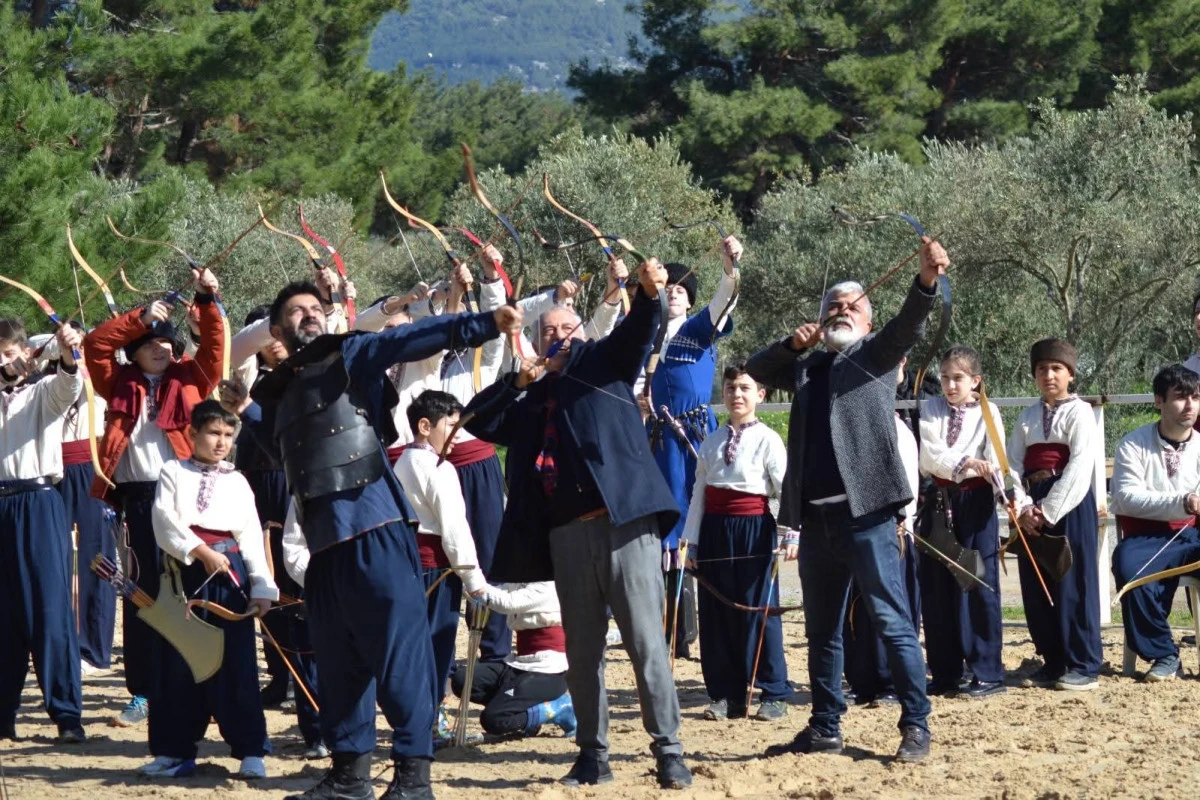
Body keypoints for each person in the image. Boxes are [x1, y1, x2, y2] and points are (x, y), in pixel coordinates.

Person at [259, 279, 519, 800]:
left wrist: (485, 324)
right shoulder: (273, 396)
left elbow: (413, 339)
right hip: (324, 547)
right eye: (295, 310)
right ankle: (350, 777)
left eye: (315, 307)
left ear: (328, 316)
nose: (308, 315)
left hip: (376, 530)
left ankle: (413, 781)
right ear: (276, 328)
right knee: (338, 664)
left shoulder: (351, 352)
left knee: (400, 658)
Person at [462, 258, 693, 790]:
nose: (559, 337)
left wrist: (647, 291)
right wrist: (515, 382)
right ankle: (593, 754)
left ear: (582, 332)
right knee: (582, 653)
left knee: (644, 644)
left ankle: (669, 751)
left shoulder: (603, 362)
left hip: (625, 523)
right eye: (549, 332)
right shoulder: (534, 393)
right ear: (537, 343)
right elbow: (480, 418)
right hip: (567, 533)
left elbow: (638, 331)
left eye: (567, 329)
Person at [748, 237, 948, 763]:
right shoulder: (807, 367)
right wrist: (793, 344)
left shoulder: (877, 354)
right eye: (832, 307)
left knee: (891, 621)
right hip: (816, 521)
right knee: (821, 631)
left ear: (866, 320)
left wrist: (926, 281)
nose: (840, 312)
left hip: (869, 516)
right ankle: (825, 726)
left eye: (851, 307)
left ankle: (916, 725)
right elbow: (756, 367)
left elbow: (910, 322)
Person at [84, 268, 225, 727]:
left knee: (190, 591)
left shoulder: (190, 378)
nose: (162, 349)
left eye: (168, 344)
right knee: (142, 594)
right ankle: (144, 690)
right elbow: (96, 345)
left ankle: (195, 680)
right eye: (151, 343)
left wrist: (205, 300)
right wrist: (140, 316)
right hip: (137, 501)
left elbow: (215, 349)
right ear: (136, 350)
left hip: (186, 499)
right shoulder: (117, 380)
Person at [140, 400, 277, 778]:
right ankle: (173, 750)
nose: (221, 442)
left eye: (228, 435)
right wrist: (199, 551)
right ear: (192, 433)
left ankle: (251, 749)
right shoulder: (172, 471)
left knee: (236, 661)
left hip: (228, 575)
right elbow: (164, 520)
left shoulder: (237, 480)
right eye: (214, 433)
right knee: (178, 661)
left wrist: (263, 587)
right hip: (184, 572)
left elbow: (250, 535)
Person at [222, 305, 324, 757]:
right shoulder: (247, 376)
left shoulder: (308, 375)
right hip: (254, 483)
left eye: (282, 335)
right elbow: (237, 345)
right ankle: (279, 676)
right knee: (264, 581)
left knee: (294, 581)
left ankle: (312, 703)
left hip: (289, 480)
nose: (275, 343)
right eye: (271, 334)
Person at [640, 240, 741, 661]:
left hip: (695, 437)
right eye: (670, 286)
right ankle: (672, 631)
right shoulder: (645, 333)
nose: (676, 289)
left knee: (701, 522)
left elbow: (724, 300)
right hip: (659, 440)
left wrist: (730, 267)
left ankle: (710, 626)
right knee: (665, 529)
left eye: (683, 286)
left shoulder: (699, 328)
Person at [681, 363, 794, 722]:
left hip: (753, 530)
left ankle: (773, 691)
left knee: (756, 611)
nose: (737, 395)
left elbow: (784, 490)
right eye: (731, 388)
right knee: (717, 613)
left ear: (760, 395)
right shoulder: (711, 441)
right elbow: (699, 493)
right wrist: (691, 543)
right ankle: (725, 694)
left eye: (745, 388)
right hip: (714, 531)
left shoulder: (768, 440)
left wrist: (790, 533)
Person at [0, 319, 87, 743]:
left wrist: (67, 354)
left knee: (50, 608)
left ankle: (67, 715)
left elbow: (68, 387)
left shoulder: (42, 391)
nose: (5, 362)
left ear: (23, 352)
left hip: (36, 501)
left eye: (9, 352)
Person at [915, 346, 1013, 698]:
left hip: (976, 504)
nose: (950, 385)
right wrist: (969, 462)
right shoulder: (929, 409)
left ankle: (987, 672)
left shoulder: (990, 413)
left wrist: (999, 483)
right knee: (937, 587)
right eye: (945, 378)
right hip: (939, 502)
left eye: (958, 378)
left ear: (976, 380)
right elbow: (930, 455)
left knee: (977, 583)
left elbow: (998, 457)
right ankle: (944, 672)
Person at [393, 389, 487, 744]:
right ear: (424, 425)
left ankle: (415, 722)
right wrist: (474, 580)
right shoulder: (438, 468)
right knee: (435, 647)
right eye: (451, 425)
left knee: (411, 646)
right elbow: (454, 529)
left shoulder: (400, 462)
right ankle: (429, 724)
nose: (457, 434)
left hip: (406, 565)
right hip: (435, 567)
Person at [1009, 338, 1102, 691]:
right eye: (1042, 369)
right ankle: (1053, 660)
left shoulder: (1080, 413)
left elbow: (1079, 467)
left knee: (1072, 583)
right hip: (1031, 503)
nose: (1049, 375)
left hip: (1068, 504)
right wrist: (1022, 507)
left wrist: (1047, 511)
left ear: (1071, 375)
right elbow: (1013, 465)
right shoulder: (1028, 417)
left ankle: (1084, 663)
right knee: (1038, 583)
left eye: (1057, 369)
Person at [1111, 364, 1200, 681]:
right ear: (1158, 401)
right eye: (1180, 397)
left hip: (1194, 537)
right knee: (1129, 567)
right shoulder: (1133, 445)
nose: (1189, 405)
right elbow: (1124, 498)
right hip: (1145, 538)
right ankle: (1164, 654)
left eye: (1196, 397)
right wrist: (1183, 502)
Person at [843, 365, 922, 708]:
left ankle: (891, 682)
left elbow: (910, 488)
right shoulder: (848, 427)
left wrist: (902, 525)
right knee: (856, 610)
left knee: (886, 608)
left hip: (890, 531)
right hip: (853, 528)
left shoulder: (897, 430)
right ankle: (863, 681)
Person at [45, 327, 118, 675]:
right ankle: (61, 643)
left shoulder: (99, 378)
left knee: (98, 558)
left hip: (92, 469)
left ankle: (95, 649)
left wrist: (86, 350)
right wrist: (61, 345)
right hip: (54, 472)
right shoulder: (48, 383)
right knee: (56, 559)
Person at [450, 579, 575, 739]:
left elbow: (508, 602)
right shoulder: (523, 580)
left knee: (493, 719)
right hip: (519, 663)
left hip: (547, 670)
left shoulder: (547, 583)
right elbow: (495, 591)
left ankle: (559, 708)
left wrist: (471, 578)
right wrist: (469, 582)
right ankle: (527, 714)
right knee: (463, 680)